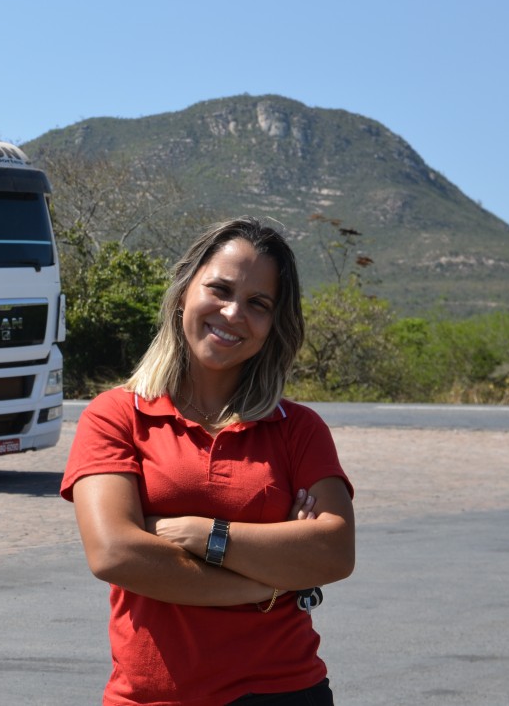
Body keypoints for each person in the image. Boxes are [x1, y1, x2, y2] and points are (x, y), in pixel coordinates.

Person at [61, 217, 355, 706]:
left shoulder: (298, 429)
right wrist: (266, 584)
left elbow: (333, 553)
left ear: (272, 325)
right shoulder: (116, 416)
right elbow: (115, 553)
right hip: (152, 696)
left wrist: (200, 533)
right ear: (182, 294)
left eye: (258, 304)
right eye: (219, 289)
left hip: (283, 690)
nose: (234, 312)